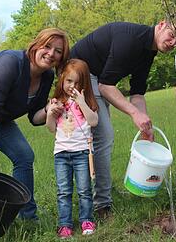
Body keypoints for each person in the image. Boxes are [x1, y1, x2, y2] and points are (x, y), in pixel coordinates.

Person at [70, 14, 176, 216]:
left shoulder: (149, 52)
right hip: (79, 72)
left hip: (99, 77)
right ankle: (101, 204)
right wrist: (135, 113)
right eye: (172, 34)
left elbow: (137, 93)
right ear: (160, 25)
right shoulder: (131, 40)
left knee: (102, 135)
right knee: (104, 135)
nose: (173, 43)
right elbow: (106, 86)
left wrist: (145, 125)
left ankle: (101, 190)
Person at [0, 28, 70, 219]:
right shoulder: (11, 62)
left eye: (58, 51)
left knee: (24, 156)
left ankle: (28, 217)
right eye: (47, 46)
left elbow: (34, 117)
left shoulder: (46, 76)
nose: (51, 54)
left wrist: (49, 109)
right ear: (36, 44)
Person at [46, 59, 98, 238]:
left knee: (84, 189)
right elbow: (51, 128)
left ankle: (87, 220)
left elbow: (93, 121)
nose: (72, 86)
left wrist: (81, 102)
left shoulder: (87, 101)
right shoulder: (56, 101)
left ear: (84, 84)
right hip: (61, 154)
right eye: (69, 81)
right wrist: (50, 113)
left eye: (77, 82)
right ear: (62, 80)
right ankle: (65, 224)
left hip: (82, 152)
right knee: (64, 191)